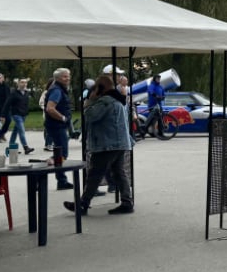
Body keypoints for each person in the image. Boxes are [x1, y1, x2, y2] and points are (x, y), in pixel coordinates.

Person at [63, 75, 135, 215]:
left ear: (100, 88)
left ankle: (83, 204)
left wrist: (90, 101)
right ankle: (127, 202)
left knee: (95, 173)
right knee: (119, 173)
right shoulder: (119, 100)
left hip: (107, 144)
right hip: (120, 143)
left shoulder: (105, 101)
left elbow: (90, 116)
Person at [44, 68, 75, 190]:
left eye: (68, 76)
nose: (67, 78)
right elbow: (50, 108)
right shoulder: (56, 90)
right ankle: (53, 174)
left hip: (56, 126)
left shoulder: (59, 89)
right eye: (64, 76)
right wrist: (62, 118)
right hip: (56, 126)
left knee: (59, 153)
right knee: (62, 153)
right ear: (57, 78)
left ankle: (61, 180)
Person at [4, 78, 34, 153]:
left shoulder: (26, 93)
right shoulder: (14, 93)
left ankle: (11, 147)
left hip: (23, 115)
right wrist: (3, 115)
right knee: (21, 130)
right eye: (22, 82)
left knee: (15, 131)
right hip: (16, 114)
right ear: (18, 84)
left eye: (25, 83)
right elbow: (7, 104)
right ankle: (26, 147)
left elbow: (26, 104)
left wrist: (26, 112)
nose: (24, 84)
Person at [145, 73, 166, 138]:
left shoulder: (161, 86)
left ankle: (161, 133)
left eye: (159, 78)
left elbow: (163, 94)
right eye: (157, 78)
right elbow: (151, 92)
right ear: (154, 79)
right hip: (152, 105)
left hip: (159, 106)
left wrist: (162, 97)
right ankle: (143, 131)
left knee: (160, 119)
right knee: (151, 120)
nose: (158, 79)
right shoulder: (152, 85)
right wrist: (155, 95)